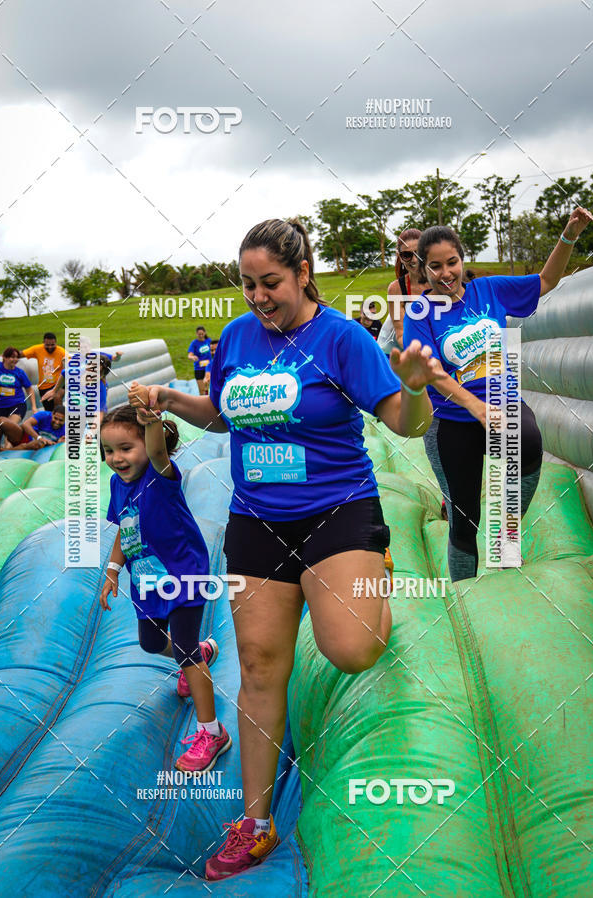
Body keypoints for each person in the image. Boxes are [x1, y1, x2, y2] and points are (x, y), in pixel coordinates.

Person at [132, 217, 442, 881]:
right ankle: (255, 823)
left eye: (269, 282)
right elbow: (222, 414)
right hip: (256, 520)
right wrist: (170, 400)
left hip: (338, 512)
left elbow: (404, 424)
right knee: (258, 666)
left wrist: (416, 388)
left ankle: (374, 578)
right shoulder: (238, 336)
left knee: (352, 650)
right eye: (247, 285)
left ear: (303, 273)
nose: (258, 297)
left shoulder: (342, 339)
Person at [403, 207, 593, 583]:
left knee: (529, 441)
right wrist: (476, 407)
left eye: (452, 262)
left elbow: (546, 281)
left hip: (501, 400)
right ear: (424, 269)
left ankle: (506, 538)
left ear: (462, 260)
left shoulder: (489, 290)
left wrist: (570, 234)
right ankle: (466, 592)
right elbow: (430, 372)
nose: (445, 273)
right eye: (435, 266)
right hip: (451, 421)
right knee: (464, 519)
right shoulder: (420, 312)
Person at [100, 401, 232, 774]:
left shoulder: (160, 475)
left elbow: (158, 450)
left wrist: (151, 420)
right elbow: (124, 528)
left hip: (182, 573)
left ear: (147, 444)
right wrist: (113, 570)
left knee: (184, 651)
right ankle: (200, 652)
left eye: (126, 448)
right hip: (147, 578)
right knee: (151, 643)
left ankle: (212, 732)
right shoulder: (117, 485)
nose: (116, 458)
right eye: (108, 450)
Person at [377, 228, 429, 356]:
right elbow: (401, 335)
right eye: (407, 255)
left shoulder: (441, 281)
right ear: (400, 257)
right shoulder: (396, 289)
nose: (414, 260)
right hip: (398, 353)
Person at [0, 347, 37, 451]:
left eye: (16, 357)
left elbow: (29, 389)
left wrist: (34, 406)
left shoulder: (20, 373)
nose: (15, 360)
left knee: (9, 426)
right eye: (12, 357)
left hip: (17, 404)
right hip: (1, 406)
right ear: (5, 357)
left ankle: (7, 450)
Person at [18, 333, 66, 412]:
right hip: (44, 386)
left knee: (57, 397)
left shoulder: (61, 352)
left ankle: (61, 416)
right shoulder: (37, 349)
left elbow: (71, 364)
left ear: (56, 343)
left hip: (57, 384)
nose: (50, 347)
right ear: (43, 342)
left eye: (52, 345)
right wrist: (4, 356)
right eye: (47, 345)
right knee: (48, 411)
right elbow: (19, 354)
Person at [188, 326, 213, 396]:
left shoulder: (209, 341)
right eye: (199, 334)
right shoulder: (194, 343)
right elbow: (189, 355)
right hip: (199, 369)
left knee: (209, 388)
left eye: (202, 334)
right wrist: (192, 357)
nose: (201, 336)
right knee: (202, 390)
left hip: (208, 368)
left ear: (205, 333)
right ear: (196, 334)